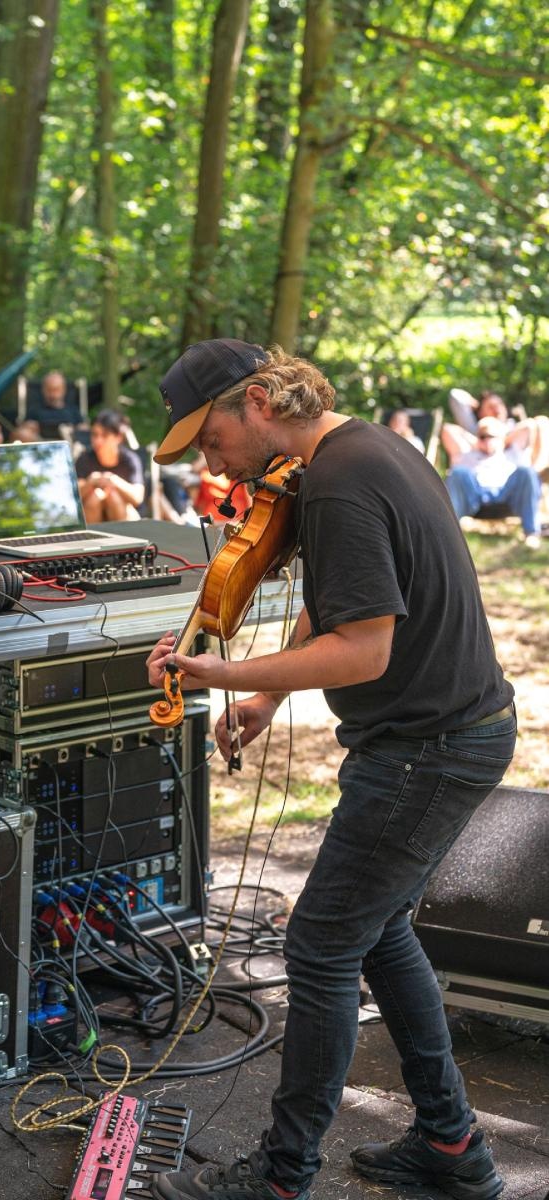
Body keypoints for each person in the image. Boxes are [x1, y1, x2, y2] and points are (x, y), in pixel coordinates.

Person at [146, 338, 516, 1200]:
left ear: (260, 403)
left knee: (317, 946)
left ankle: (280, 1179)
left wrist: (224, 674)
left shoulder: (341, 480)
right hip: (449, 734)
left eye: (210, 438)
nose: (212, 460)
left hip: (428, 747)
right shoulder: (361, 450)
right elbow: (347, 591)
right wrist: (271, 698)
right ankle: (453, 1150)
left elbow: (363, 651)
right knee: (374, 928)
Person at [444, 416, 542, 549]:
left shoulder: (513, 452)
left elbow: (530, 425)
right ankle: (448, 534)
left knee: (527, 472)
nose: (487, 440)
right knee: (457, 472)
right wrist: (475, 441)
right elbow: (447, 429)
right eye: (483, 436)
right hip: (476, 498)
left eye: (491, 436)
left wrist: (503, 440)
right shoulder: (467, 454)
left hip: (507, 496)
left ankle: (531, 534)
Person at [443, 388, 549, 473]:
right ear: (480, 413)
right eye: (490, 406)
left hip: (518, 472)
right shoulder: (474, 429)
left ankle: (535, 474)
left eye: (499, 404)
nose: (497, 409)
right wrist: (477, 406)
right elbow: (455, 395)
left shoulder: (515, 427)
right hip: (480, 470)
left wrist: (500, 441)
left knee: (542, 421)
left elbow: (531, 425)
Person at [75, 408, 145, 521]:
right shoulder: (84, 459)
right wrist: (91, 482)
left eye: (105, 435)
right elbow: (74, 497)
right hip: (91, 515)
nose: (98, 441)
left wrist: (113, 481)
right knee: (94, 497)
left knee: (113, 496)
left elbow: (137, 498)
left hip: (123, 516)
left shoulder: (130, 460)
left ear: (118, 437)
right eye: (94, 435)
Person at [26, 369, 83, 438]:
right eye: (49, 390)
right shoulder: (34, 410)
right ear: (43, 390)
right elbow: (21, 433)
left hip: (69, 444)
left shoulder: (73, 410)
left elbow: (84, 430)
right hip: (40, 444)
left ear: (63, 390)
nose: (53, 394)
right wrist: (29, 428)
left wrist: (76, 430)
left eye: (56, 389)